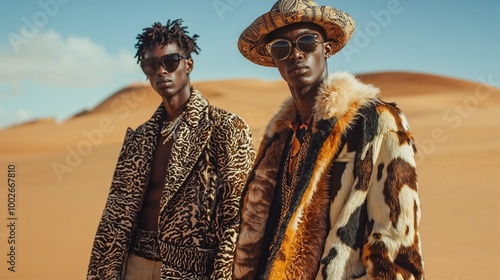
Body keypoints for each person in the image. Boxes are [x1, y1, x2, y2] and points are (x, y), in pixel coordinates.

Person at [233, 1, 424, 279]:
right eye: (281, 49)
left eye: (307, 42)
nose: (296, 54)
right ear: (274, 60)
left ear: (327, 48)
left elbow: (395, 240)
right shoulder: (280, 138)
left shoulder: (376, 121)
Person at [87, 19, 255, 280]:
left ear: (189, 64)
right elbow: (114, 218)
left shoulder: (226, 127)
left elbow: (236, 217)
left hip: (190, 271)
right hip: (133, 264)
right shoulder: (139, 139)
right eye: (151, 65)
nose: (161, 71)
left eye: (170, 61)